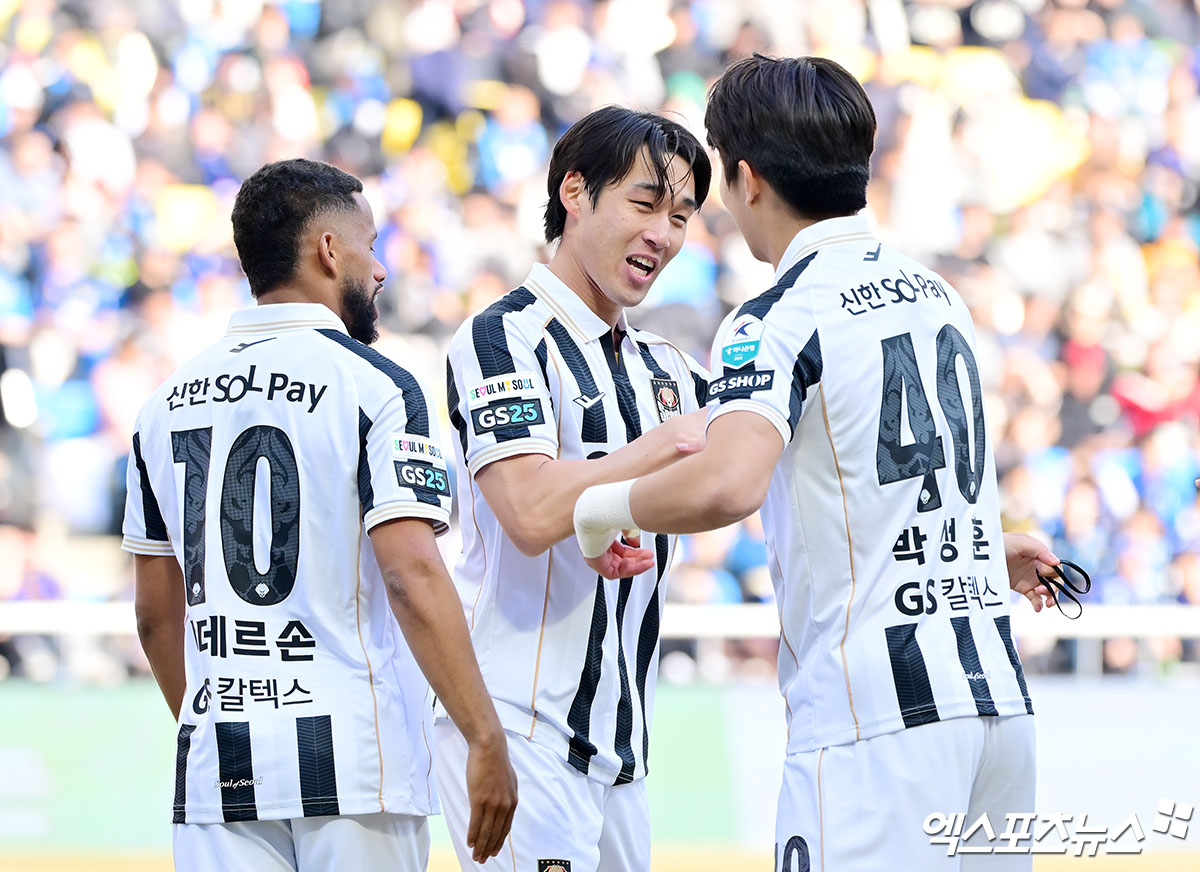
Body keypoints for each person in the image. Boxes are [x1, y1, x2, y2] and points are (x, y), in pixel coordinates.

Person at [573, 57, 1059, 870]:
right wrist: (982, 551)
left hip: (874, 721)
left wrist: (598, 508)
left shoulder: (776, 316)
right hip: (996, 707)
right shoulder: (938, 294)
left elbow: (729, 481)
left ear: (746, 179)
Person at [123, 158, 516, 872]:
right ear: (329, 250)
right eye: (372, 244)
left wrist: (215, 735)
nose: (381, 269)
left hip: (219, 772)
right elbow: (411, 574)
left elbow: (155, 617)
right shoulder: (378, 387)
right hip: (356, 767)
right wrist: (483, 735)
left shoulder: (162, 405)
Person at [436, 106, 711, 871]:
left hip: (621, 748)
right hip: (518, 725)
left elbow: (755, 467)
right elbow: (528, 510)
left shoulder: (668, 368)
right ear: (575, 193)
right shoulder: (502, 338)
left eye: (680, 217)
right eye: (645, 204)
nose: (663, 234)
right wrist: (660, 447)